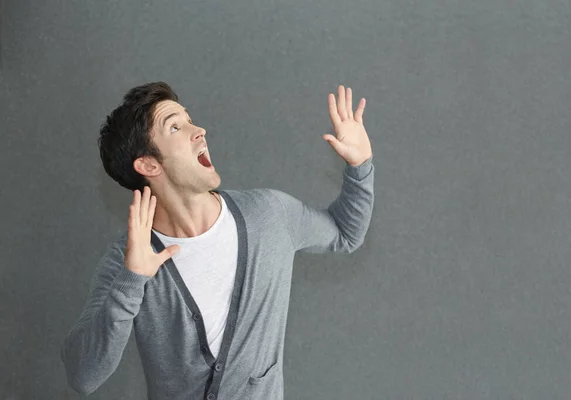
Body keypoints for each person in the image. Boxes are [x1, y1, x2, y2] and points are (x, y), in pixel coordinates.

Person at [60, 82, 375, 400]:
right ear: (148, 165)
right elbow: (83, 376)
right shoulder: (127, 261)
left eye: (189, 119)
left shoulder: (267, 216)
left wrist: (360, 167)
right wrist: (131, 282)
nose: (199, 130)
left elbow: (344, 233)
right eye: (175, 127)